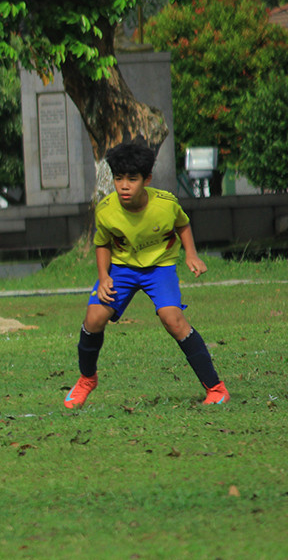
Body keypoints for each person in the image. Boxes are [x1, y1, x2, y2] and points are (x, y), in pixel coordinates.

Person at [64, 141, 228, 409]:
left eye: (132, 179)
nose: (124, 186)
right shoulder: (105, 209)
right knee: (93, 318)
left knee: (172, 319)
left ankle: (216, 388)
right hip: (122, 268)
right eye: (119, 178)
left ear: (147, 179)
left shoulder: (165, 204)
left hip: (159, 268)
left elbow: (182, 224)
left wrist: (191, 254)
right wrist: (104, 276)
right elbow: (102, 243)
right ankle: (86, 379)